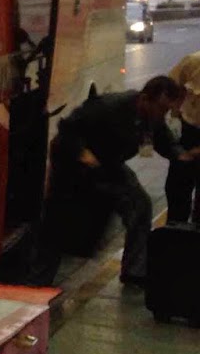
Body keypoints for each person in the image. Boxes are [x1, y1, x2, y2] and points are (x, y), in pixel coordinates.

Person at [34, 76, 199, 287]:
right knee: (59, 225)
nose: (163, 115)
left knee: (140, 204)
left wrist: (180, 154)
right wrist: (81, 152)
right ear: (145, 98)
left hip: (108, 164)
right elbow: (67, 130)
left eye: (166, 110)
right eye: (161, 108)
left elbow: (163, 139)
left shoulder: (152, 118)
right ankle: (38, 282)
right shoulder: (109, 107)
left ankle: (134, 271)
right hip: (74, 164)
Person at [166, 50, 200, 224]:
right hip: (190, 132)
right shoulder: (194, 62)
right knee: (177, 190)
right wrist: (174, 112)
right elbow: (170, 86)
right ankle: (173, 233)